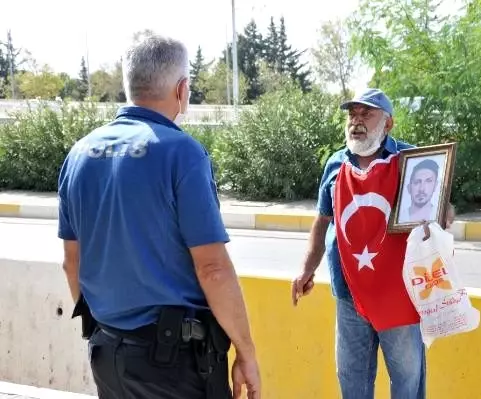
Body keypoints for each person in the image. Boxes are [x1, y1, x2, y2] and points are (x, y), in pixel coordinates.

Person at [58, 33, 260, 399]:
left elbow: (71, 264)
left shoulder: (79, 155)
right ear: (182, 90)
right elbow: (212, 268)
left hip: (108, 354)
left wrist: (102, 329)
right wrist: (246, 351)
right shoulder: (182, 153)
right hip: (175, 366)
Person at [292, 88, 454, 399]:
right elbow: (323, 221)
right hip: (349, 295)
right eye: (353, 114)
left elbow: (441, 208)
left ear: (388, 123)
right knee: (352, 382)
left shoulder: (411, 161)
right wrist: (305, 269)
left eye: (367, 114)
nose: (357, 121)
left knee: (407, 383)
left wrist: (443, 211)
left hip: (398, 295)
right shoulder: (335, 164)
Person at [399, 158, 440, 222]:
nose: (421, 189)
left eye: (428, 181)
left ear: (435, 185)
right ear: (409, 187)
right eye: (417, 182)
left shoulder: (440, 216)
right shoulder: (399, 219)